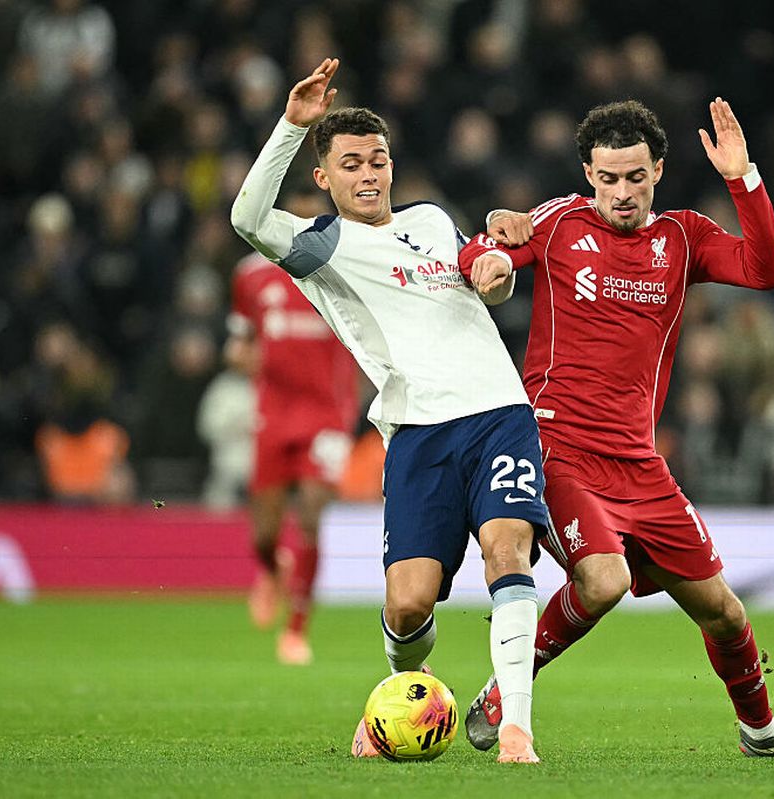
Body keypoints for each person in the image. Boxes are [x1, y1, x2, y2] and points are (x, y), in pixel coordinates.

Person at [459, 98, 774, 759]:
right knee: (602, 580)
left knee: (724, 611)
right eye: (608, 178)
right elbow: (482, 249)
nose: (622, 192)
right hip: (557, 449)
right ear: (589, 173)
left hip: (640, 464)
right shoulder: (556, 223)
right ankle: (506, 687)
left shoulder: (684, 238)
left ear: (657, 170)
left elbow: (767, 268)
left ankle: (761, 733)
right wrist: (485, 259)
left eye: (635, 176)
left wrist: (743, 177)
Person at [230, 58, 546, 764]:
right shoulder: (322, 248)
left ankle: (518, 726)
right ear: (325, 178)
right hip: (416, 433)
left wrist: (493, 273)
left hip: (497, 411)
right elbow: (246, 217)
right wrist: (291, 126)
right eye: (350, 164)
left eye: (378, 160)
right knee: (407, 603)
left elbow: (479, 271)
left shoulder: (431, 218)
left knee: (507, 549)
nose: (368, 174)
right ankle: (410, 690)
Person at [226, 186, 361, 666]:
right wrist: (249, 358)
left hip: (325, 415)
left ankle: (297, 628)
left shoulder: (340, 272)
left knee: (310, 514)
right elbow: (238, 343)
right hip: (273, 414)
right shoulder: (251, 276)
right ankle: (271, 567)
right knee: (263, 536)